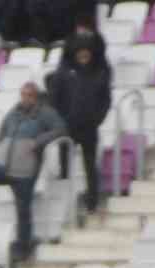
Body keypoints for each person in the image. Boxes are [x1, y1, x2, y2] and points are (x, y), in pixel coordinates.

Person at [0, 82, 65, 261]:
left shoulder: (45, 113)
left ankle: (24, 246)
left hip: (25, 170)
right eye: (23, 94)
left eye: (29, 95)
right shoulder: (14, 112)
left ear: (36, 97)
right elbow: (2, 131)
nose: (25, 98)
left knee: (23, 209)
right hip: (5, 165)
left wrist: (38, 142)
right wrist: (2, 146)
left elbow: (61, 129)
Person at [47, 33, 113, 213]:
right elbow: (54, 99)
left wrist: (97, 118)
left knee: (90, 165)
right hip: (67, 127)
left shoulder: (99, 72)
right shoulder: (63, 72)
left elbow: (105, 100)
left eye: (87, 53)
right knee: (65, 167)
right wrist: (60, 120)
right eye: (80, 53)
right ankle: (66, 204)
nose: (84, 56)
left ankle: (92, 202)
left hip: (89, 127)